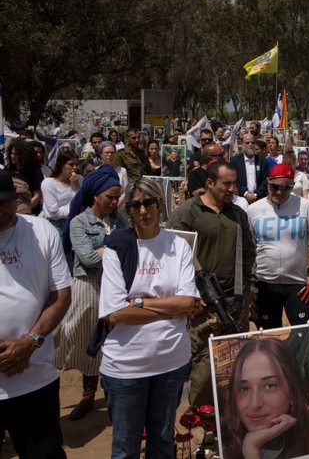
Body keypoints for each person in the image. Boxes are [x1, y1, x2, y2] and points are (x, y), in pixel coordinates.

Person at [99, 178, 199, 458]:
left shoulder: (178, 246)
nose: (143, 210)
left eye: (149, 203)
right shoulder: (117, 249)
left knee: (163, 441)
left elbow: (188, 302)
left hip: (171, 361)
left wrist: (140, 302)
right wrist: (171, 307)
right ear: (128, 210)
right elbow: (116, 313)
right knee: (125, 447)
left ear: (160, 205)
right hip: (126, 366)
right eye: (135, 205)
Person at [167, 162, 257, 411]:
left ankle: (230, 419)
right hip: (201, 304)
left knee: (238, 362)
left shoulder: (238, 214)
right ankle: (200, 417)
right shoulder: (187, 213)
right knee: (205, 364)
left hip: (236, 301)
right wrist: (191, 294)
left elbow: (248, 252)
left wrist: (249, 289)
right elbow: (172, 256)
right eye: (226, 184)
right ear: (209, 184)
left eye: (234, 183)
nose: (232, 189)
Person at [245, 162, 309, 418]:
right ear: (268, 185)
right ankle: (278, 389)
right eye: (274, 187)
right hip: (265, 284)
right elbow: (248, 250)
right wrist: (250, 285)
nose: (280, 193)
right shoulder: (254, 210)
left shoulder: (304, 207)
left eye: (285, 188)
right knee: (268, 340)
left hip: (297, 285)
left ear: (292, 186)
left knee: (307, 337)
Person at [0, 172, 73, 458]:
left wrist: (30, 342)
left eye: (6, 201)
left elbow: (61, 294)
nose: (1, 209)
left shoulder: (41, 231)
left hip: (35, 377)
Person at [56, 165, 125, 421]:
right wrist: (116, 251)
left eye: (117, 196)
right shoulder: (79, 222)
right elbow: (85, 257)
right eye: (110, 197)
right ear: (96, 196)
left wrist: (107, 252)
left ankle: (113, 394)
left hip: (116, 287)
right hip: (88, 287)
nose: (114, 201)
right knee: (87, 341)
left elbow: (131, 246)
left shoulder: (119, 219)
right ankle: (87, 394)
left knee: (114, 342)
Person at [220, 337, 309, 459]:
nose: (255, 403)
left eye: (269, 386)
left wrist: (251, 449)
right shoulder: (223, 449)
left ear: (292, 395)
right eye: (244, 388)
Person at [40, 151, 82, 230]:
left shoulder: (79, 179)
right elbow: (53, 212)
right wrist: (76, 209)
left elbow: (84, 201)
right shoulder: (48, 183)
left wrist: (77, 186)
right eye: (71, 164)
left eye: (76, 164)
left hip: (77, 223)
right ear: (61, 165)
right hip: (57, 226)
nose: (75, 168)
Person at [4, 138, 44, 215]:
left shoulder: (34, 171)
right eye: (12, 153)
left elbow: (38, 195)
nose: (13, 156)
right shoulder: (8, 169)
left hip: (29, 212)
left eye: (16, 154)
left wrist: (24, 210)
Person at [232, 134, 269, 204]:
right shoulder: (234, 161)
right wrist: (245, 193)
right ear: (242, 144)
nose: (250, 144)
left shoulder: (262, 161)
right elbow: (234, 180)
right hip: (240, 199)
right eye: (247, 143)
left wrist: (255, 195)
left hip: (258, 199)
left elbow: (265, 180)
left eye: (252, 142)